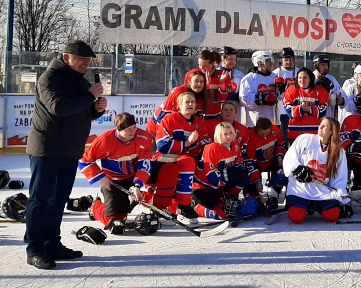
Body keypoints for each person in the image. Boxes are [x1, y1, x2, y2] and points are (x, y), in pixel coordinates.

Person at [25, 40, 107, 269]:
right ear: (65, 57)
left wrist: (94, 110)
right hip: (47, 150)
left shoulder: (79, 81)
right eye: (81, 59)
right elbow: (58, 108)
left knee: (58, 199)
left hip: (69, 150)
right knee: (40, 200)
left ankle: (52, 243)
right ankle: (35, 249)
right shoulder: (48, 79)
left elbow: (77, 111)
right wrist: (90, 96)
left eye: (88, 61)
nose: (85, 64)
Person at [79, 112, 154, 230]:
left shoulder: (144, 137)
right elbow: (84, 160)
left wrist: (137, 185)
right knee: (115, 221)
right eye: (128, 129)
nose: (133, 132)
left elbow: (145, 165)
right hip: (113, 181)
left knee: (162, 172)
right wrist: (101, 177)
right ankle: (96, 207)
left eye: (134, 127)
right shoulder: (105, 140)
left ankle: (142, 199)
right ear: (118, 129)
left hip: (134, 177)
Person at [142, 91, 202, 222]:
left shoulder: (198, 122)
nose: (190, 104)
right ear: (179, 105)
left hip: (182, 158)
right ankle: (184, 205)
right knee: (187, 162)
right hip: (163, 157)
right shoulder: (170, 119)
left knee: (194, 163)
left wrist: (195, 143)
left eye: (192, 102)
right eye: (187, 102)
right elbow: (162, 144)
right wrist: (186, 142)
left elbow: (198, 149)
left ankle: (173, 208)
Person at [283, 117, 349, 224]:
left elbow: (339, 177)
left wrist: (341, 197)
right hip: (301, 189)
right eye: (320, 125)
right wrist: (297, 169)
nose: (320, 127)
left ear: (332, 131)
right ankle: (305, 204)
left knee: (332, 215)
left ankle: (316, 205)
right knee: (296, 217)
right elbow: (289, 158)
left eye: (324, 126)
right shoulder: (304, 139)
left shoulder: (339, 151)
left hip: (322, 191)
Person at [192, 122, 260, 220]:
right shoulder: (211, 148)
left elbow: (238, 164)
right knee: (221, 215)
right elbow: (211, 176)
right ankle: (196, 206)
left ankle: (231, 196)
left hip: (221, 184)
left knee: (245, 174)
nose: (228, 136)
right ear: (219, 135)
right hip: (204, 186)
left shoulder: (235, 145)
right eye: (225, 134)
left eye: (230, 133)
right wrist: (226, 178)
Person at [281, 67, 329, 141]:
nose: (302, 80)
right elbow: (288, 110)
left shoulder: (321, 91)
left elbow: (323, 111)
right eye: (299, 78)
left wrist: (310, 109)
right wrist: (300, 108)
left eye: (305, 78)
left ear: (310, 79)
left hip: (314, 133)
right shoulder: (291, 91)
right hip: (295, 133)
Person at [239, 50, 278, 127]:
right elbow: (244, 98)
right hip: (254, 122)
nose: (271, 63)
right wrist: (261, 98)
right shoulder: (249, 78)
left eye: (271, 60)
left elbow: (280, 97)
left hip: (272, 121)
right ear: (259, 63)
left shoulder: (275, 76)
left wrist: (282, 90)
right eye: (268, 61)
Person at [273, 47, 298, 146]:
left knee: (294, 137)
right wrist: (279, 91)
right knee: (283, 137)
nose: (289, 62)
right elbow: (272, 93)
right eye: (286, 59)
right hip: (281, 110)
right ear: (282, 60)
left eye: (291, 59)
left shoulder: (299, 72)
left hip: (296, 109)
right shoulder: (276, 73)